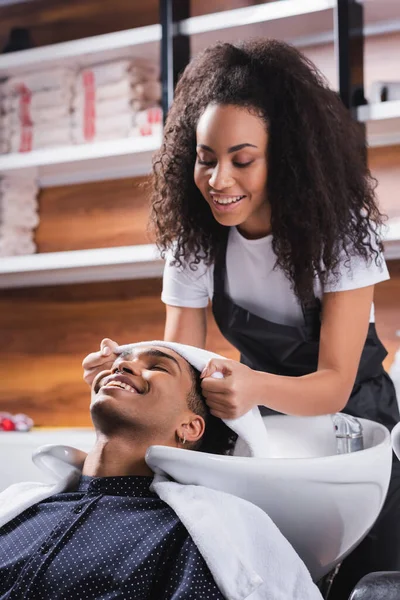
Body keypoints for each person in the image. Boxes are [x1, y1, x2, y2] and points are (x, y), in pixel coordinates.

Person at [82, 40, 400, 598]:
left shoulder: (340, 236)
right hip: (262, 429)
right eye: (207, 159)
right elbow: (179, 362)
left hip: (353, 425)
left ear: (287, 158)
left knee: (367, 581)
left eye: (242, 160)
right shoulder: (196, 242)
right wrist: (129, 372)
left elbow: (333, 384)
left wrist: (251, 385)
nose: (219, 180)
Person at [0, 345, 234, 599]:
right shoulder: (18, 509)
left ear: (189, 427)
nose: (121, 366)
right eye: (119, 363)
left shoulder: (190, 538)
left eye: (157, 367)